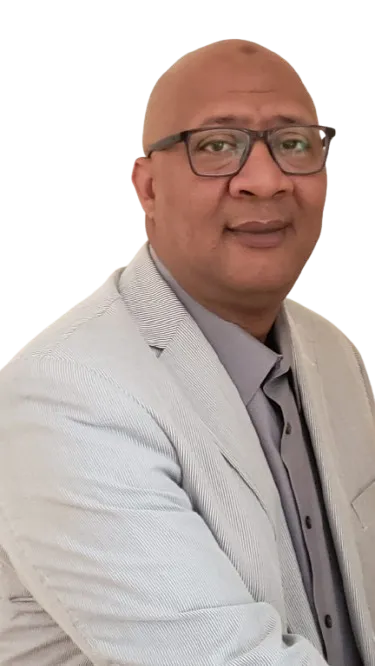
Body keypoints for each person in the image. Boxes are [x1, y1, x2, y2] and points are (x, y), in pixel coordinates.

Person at [0, 38, 374, 666]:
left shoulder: (331, 350)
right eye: (217, 146)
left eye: (295, 143)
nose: (265, 181)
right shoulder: (64, 393)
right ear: (145, 186)